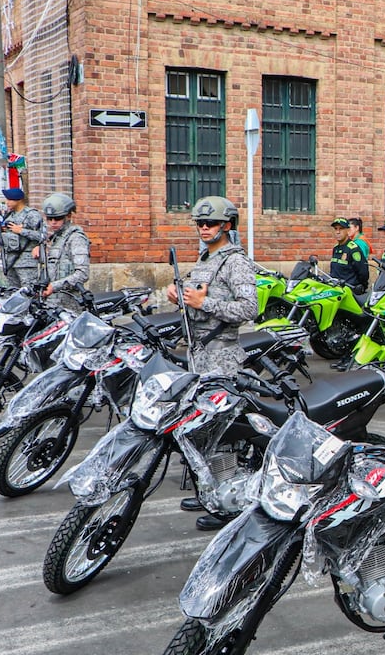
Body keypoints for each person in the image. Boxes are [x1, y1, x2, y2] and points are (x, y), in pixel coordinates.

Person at [170, 196, 258, 530]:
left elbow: (249, 308)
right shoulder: (206, 257)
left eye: (210, 223)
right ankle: (209, 491)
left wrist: (206, 303)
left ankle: (228, 505)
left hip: (222, 355)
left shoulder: (235, 261)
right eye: (200, 223)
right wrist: (180, 295)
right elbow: (200, 294)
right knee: (201, 430)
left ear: (226, 226)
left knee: (221, 433)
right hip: (198, 355)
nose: (204, 228)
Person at [37, 194, 90, 313]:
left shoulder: (76, 238)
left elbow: (82, 274)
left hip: (69, 306)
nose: (53, 223)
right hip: (52, 304)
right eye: (49, 219)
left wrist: (54, 286)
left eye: (58, 218)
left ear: (68, 216)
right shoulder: (56, 238)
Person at [0, 188, 45, 289]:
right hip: (10, 261)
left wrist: (21, 231)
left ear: (18, 200)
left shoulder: (32, 215)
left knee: (28, 292)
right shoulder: (10, 215)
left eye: (10, 200)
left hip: (26, 263)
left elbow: (42, 236)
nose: (7, 203)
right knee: (11, 292)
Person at [328, 217, 368, 294]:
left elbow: (363, 272)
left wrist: (360, 287)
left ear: (348, 230)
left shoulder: (353, 249)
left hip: (349, 291)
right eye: (336, 229)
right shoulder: (336, 248)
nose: (338, 232)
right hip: (335, 290)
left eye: (341, 229)